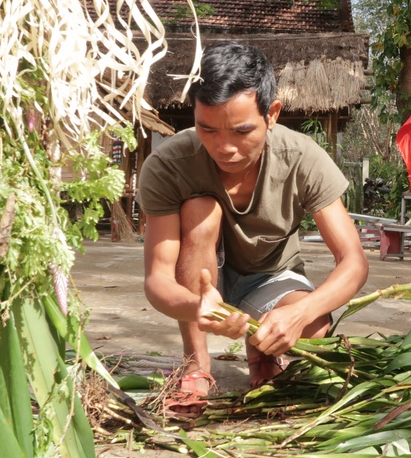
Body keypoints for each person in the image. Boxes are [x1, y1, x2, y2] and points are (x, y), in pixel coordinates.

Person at [137, 43, 369, 415]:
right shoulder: (168, 164)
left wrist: (301, 312)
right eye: (206, 129)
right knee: (201, 209)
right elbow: (158, 280)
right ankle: (196, 364)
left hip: (270, 278)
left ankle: (261, 345)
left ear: (272, 114)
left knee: (314, 331)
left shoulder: (302, 157)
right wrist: (196, 306)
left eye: (242, 130)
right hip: (199, 279)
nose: (224, 147)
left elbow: (353, 261)